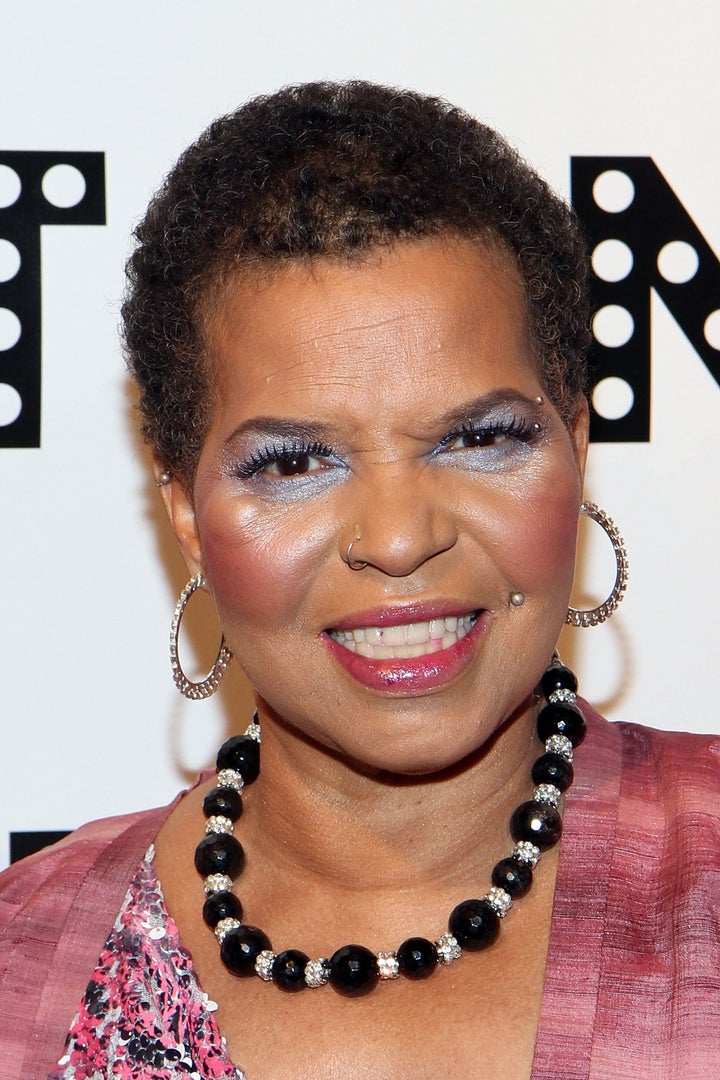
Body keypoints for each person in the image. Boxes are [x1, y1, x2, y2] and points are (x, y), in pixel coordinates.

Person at [1, 80, 719, 1080]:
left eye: (478, 438)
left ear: (576, 447)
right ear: (184, 512)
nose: (396, 537)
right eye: (295, 463)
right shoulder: (22, 966)